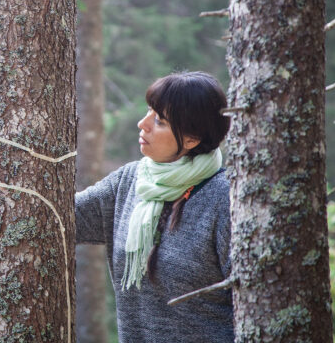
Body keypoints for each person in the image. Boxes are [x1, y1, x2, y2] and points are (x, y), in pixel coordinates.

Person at [75, 71, 233, 342]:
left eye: (159, 121)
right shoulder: (130, 180)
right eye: (149, 113)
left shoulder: (226, 197)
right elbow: (61, 218)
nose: (143, 124)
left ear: (191, 139)